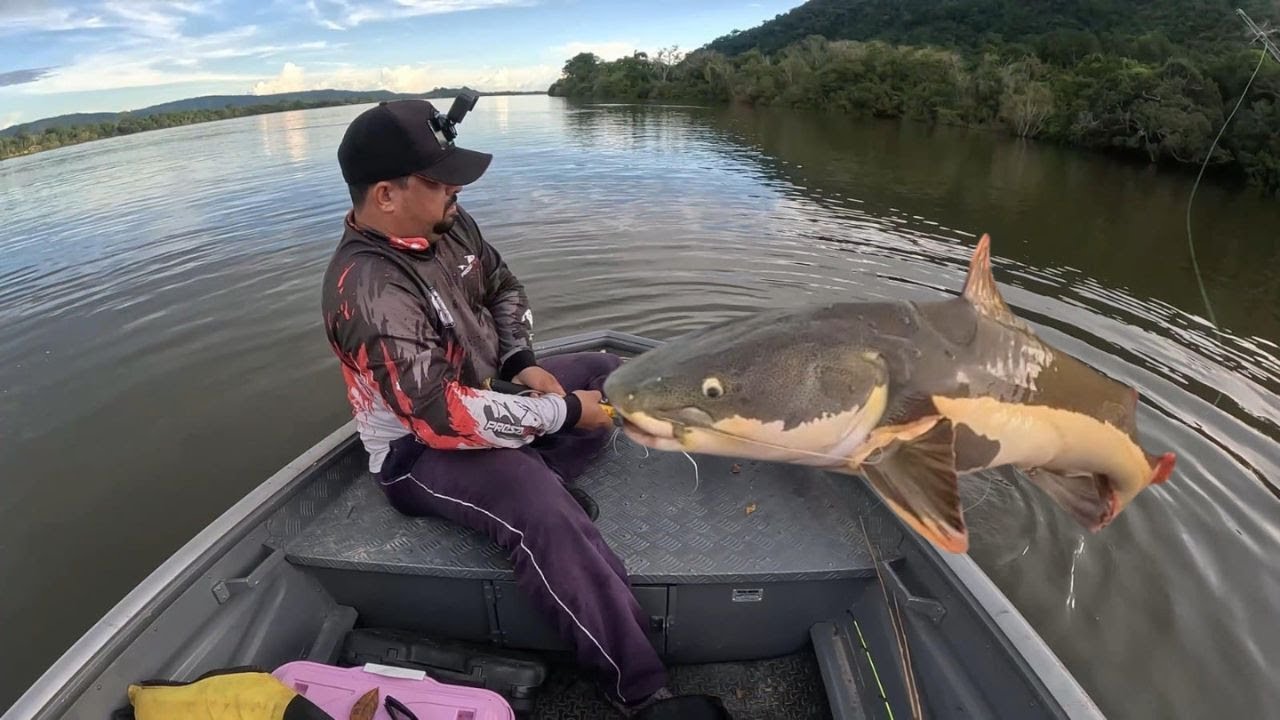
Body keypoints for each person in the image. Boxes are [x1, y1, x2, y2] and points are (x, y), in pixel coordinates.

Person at [319, 99, 671, 714]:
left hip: (487, 391)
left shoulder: (447, 221)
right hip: (416, 450)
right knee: (541, 508)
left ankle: (534, 474)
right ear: (385, 195)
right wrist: (561, 414)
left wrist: (520, 363)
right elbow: (439, 417)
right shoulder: (368, 290)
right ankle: (636, 685)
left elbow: (504, 286)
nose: (455, 188)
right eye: (438, 179)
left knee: (606, 373)